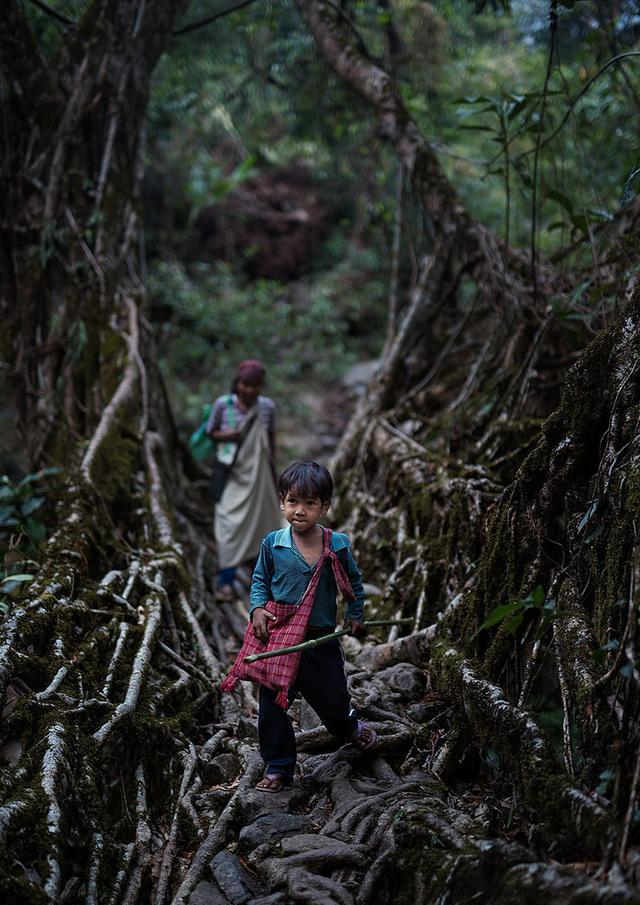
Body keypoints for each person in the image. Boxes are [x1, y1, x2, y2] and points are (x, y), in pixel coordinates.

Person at [249, 460, 377, 793]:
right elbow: (260, 580)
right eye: (293, 501)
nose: (300, 511)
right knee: (273, 708)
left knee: (333, 701)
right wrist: (258, 608)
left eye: (310, 503)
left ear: (325, 507)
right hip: (281, 643)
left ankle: (347, 726)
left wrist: (356, 611)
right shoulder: (273, 544)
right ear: (281, 502)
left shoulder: (337, 544)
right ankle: (278, 767)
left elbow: (354, 581)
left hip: (322, 641)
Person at [206, 359, 282, 601]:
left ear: (261, 387)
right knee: (228, 528)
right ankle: (225, 581)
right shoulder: (223, 405)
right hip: (232, 476)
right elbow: (211, 432)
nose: (249, 390)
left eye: (255, 385)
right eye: (245, 384)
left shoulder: (267, 408)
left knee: (261, 527)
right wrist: (229, 435)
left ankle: (259, 582)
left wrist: (274, 475)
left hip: (259, 479)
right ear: (237, 383)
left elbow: (271, 441)